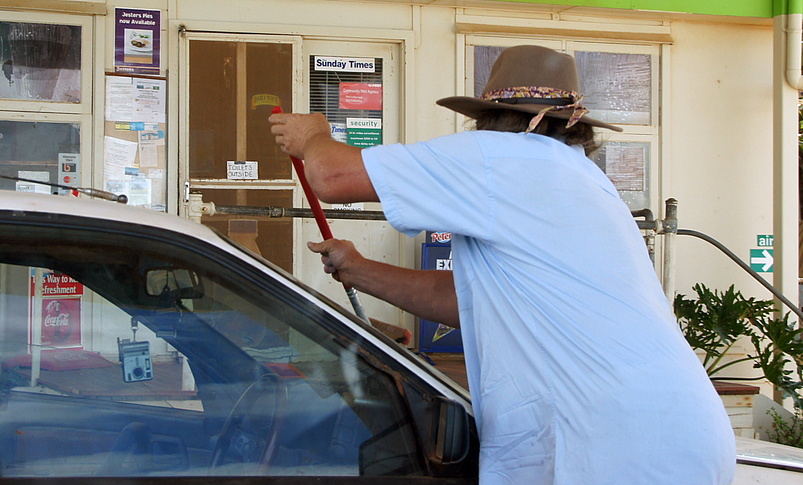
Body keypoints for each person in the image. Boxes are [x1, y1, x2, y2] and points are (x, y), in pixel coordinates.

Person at [270, 45, 735, 485]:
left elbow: (331, 175)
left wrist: (312, 136)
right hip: (667, 433)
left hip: (610, 444)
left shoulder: (505, 157)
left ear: (493, 119)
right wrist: (360, 269)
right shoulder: (575, 175)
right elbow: (468, 300)